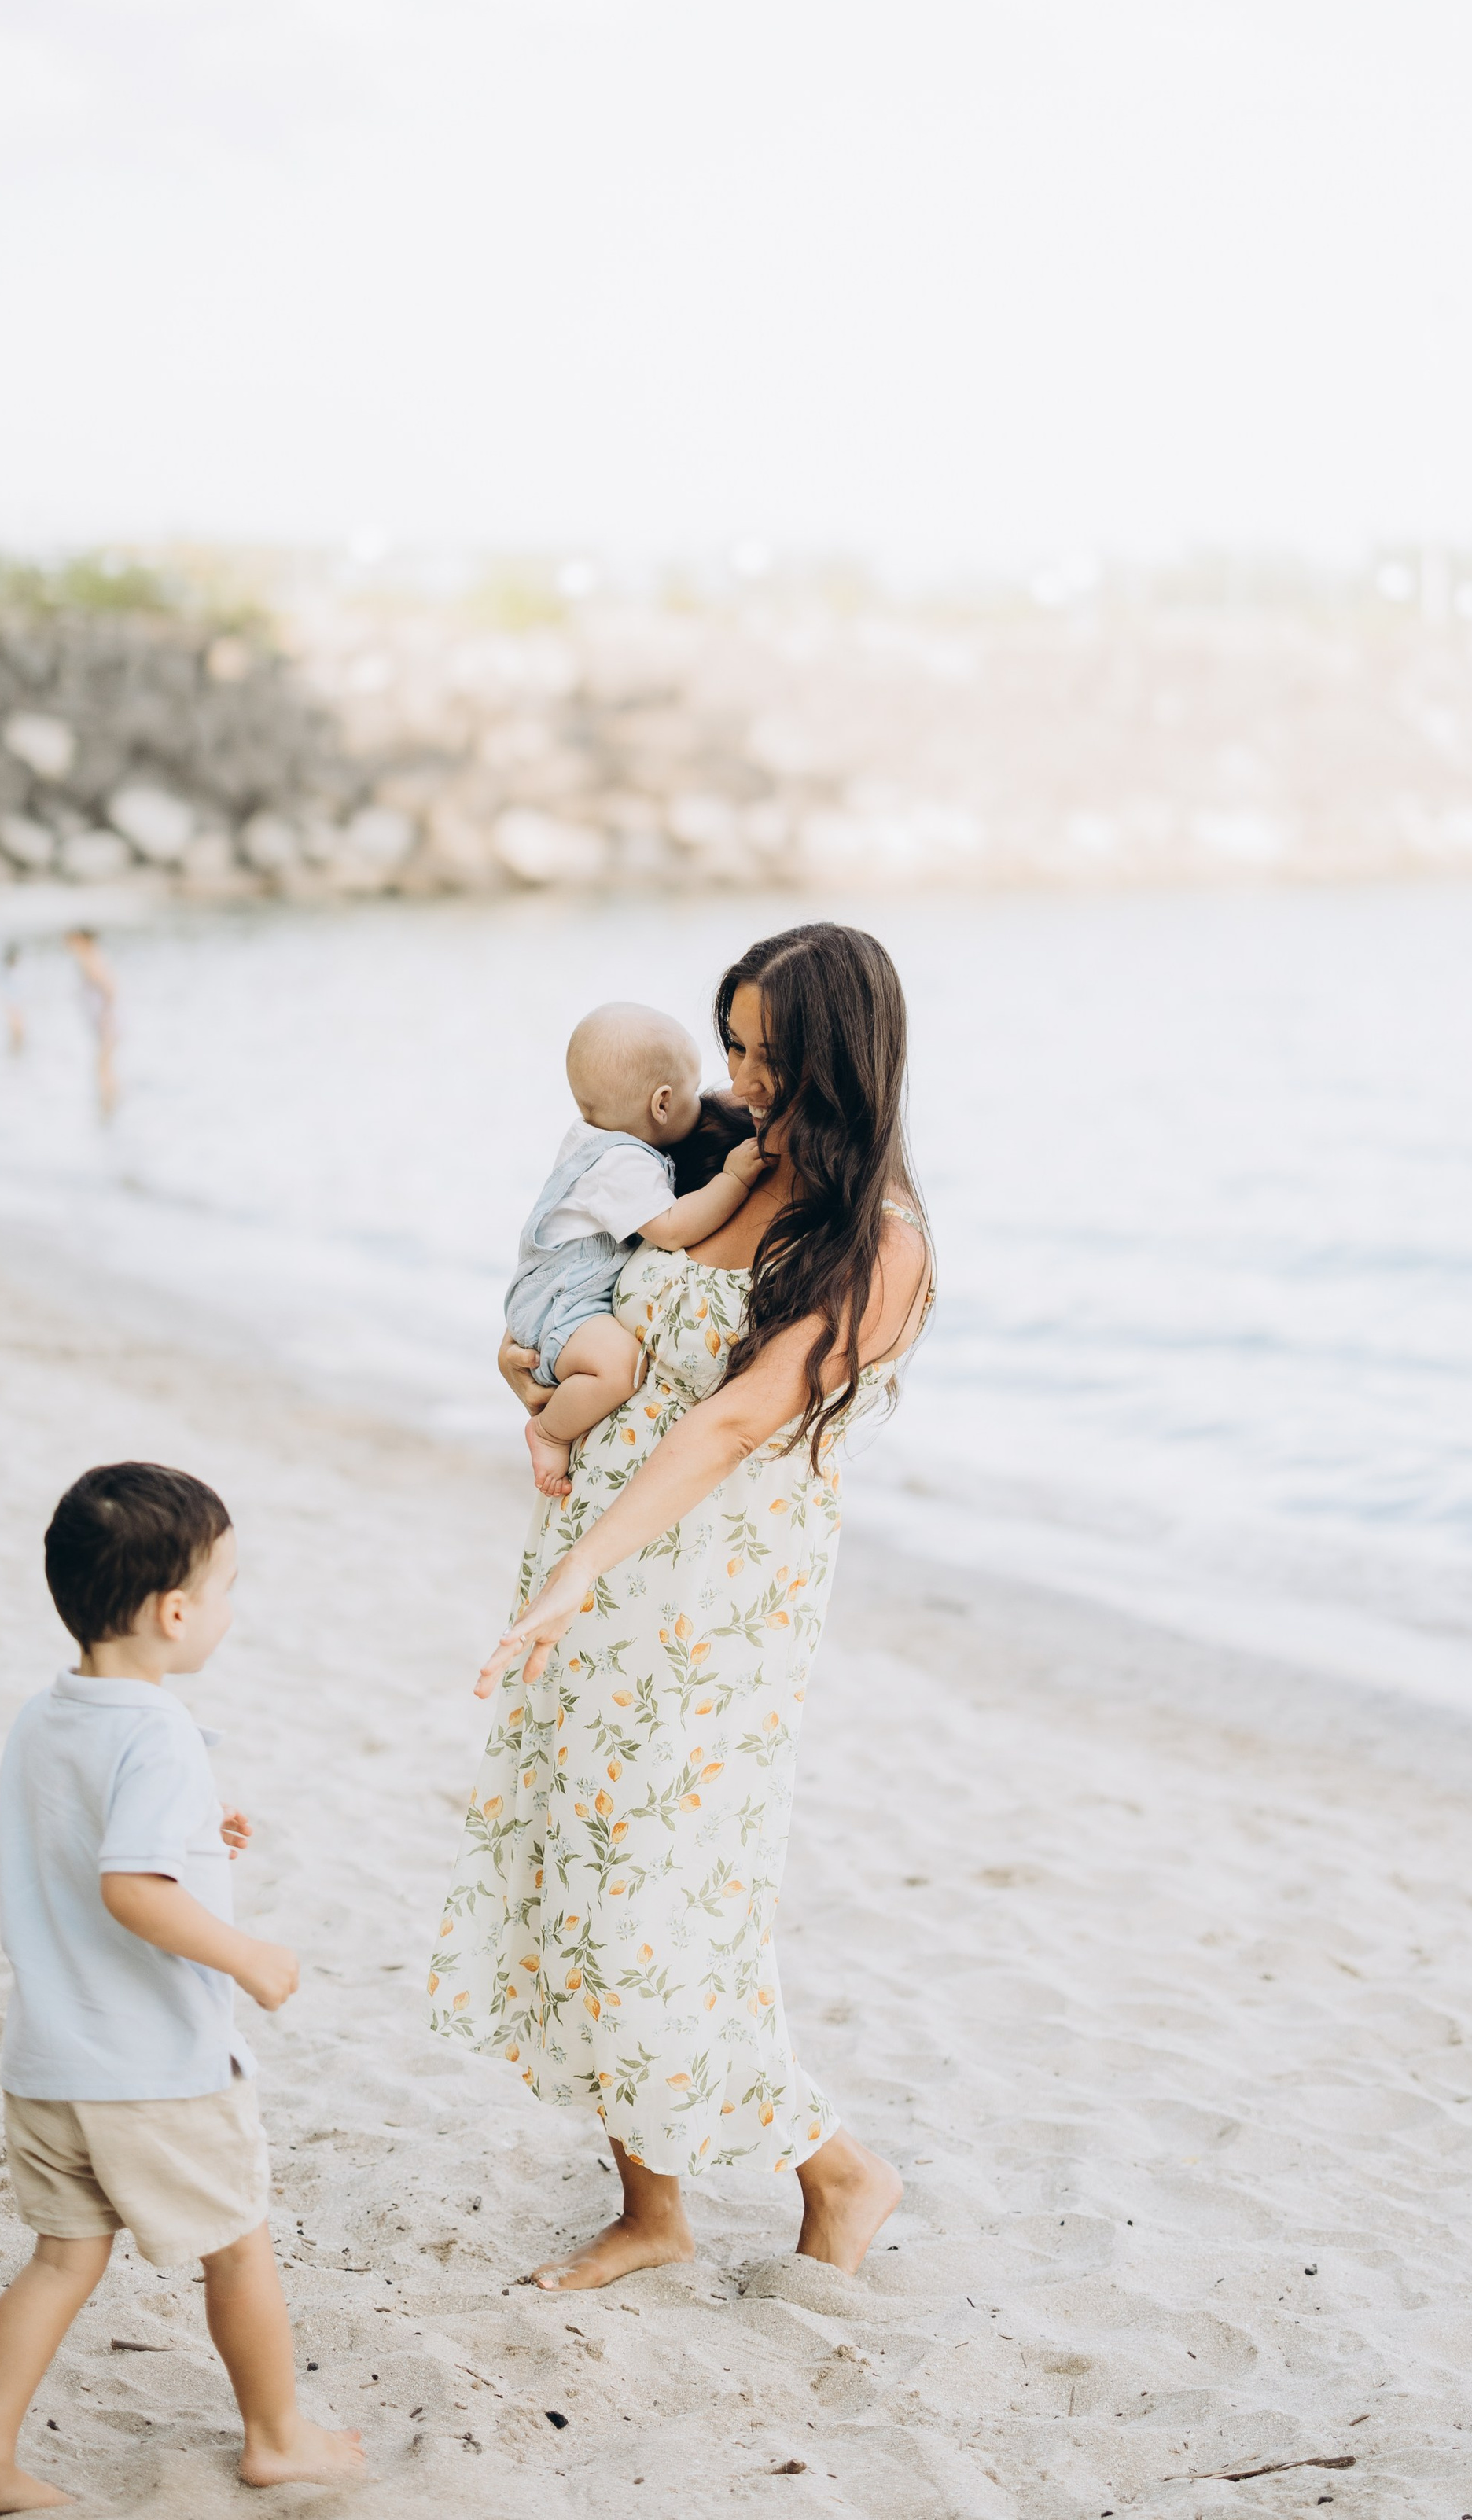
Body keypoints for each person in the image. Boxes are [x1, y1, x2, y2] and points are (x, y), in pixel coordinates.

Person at [429, 922, 934, 2292]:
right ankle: (652, 2210)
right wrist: (531, 1386)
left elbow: (729, 1427)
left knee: (666, 1904)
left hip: (709, 1616)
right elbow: (603, 1303)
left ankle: (837, 2167)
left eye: (770, 1053)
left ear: (845, 1055)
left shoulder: (875, 1244)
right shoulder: (711, 1158)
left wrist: (590, 1568)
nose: (744, 1076)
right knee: (582, 1884)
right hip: (587, 1578)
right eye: (734, 1044)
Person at [0, 1464, 363, 2514]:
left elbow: (80, 1838)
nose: (228, 1610)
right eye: (227, 1588)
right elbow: (130, 1887)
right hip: (153, 2067)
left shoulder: (49, 1715)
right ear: (176, 1612)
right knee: (238, 2243)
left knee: (61, 2262)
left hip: (50, 2062)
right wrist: (243, 1951)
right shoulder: (160, 1731)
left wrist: (195, 1832)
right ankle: (276, 2435)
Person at [506, 1001, 767, 1497]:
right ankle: (547, 1430)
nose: (712, 1094)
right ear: (662, 1103)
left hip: (552, 1294)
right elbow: (670, 1228)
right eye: (694, 1092)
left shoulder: (596, 1141)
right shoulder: (622, 1163)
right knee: (618, 1366)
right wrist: (732, 1179)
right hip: (563, 1304)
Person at [64, 927, 118, 1122]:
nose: (68, 945)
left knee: (102, 1064)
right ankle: (110, 1105)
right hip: (104, 1017)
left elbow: (108, 988)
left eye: (72, 940)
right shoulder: (94, 956)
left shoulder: (89, 959)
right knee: (105, 1064)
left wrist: (106, 1013)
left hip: (105, 1018)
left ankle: (107, 1106)